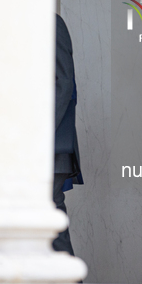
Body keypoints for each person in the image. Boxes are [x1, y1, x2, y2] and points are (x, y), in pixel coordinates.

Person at [53, 13, 82, 256]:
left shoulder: (51, 23)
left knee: (51, 222)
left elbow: (65, 83)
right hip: (18, 149)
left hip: (50, 147)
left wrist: (36, 135)